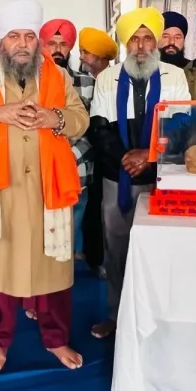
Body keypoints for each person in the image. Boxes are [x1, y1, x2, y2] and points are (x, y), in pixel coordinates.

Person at [0, 0, 89, 372]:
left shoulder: (56, 74)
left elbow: (80, 118)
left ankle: (56, 338)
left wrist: (53, 118)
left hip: (46, 189)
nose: (22, 44)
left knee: (52, 268)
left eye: (29, 36)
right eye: (13, 36)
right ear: (0, 40)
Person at [88, 7, 190, 339]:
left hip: (159, 180)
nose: (142, 46)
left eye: (148, 38)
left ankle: (155, 317)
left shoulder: (175, 76)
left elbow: (181, 126)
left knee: (156, 252)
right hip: (117, 178)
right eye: (134, 39)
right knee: (116, 250)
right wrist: (128, 159)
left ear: (156, 42)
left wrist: (149, 155)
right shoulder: (107, 78)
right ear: (124, 43)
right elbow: (99, 128)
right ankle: (116, 316)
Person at [39, 19, 94, 261]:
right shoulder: (32, 83)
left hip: (77, 168)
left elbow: (90, 129)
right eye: (51, 43)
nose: (57, 49)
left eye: (63, 44)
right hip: (40, 170)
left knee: (68, 237)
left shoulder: (87, 82)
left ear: (70, 47)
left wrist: (68, 156)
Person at [76, 26, 118, 278]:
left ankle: (105, 259)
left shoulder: (116, 80)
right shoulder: (78, 81)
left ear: (101, 56)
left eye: (86, 52)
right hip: (85, 155)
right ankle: (93, 257)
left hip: (110, 155)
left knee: (107, 209)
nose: (81, 56)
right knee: (91, 209)